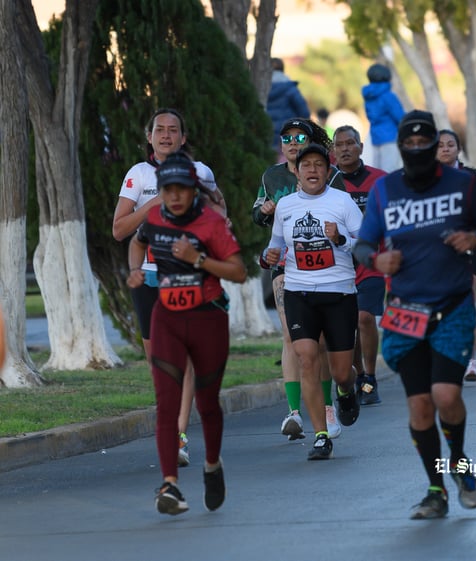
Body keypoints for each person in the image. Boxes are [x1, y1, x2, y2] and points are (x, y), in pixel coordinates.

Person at [353, 110, 476, 520]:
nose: (417, 150)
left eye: (424, 143)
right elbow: (362, 245)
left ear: (436, 144)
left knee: (446, 395)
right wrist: (377, 260)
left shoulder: (464, 184)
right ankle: (435, 489)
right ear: (401, 147)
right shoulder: (385, 191)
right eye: (410, 144)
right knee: (420, 407)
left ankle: (459, 462)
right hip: (405, 311)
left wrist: (475, 236)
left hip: (452, 306)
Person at [126, 152, 247, 515]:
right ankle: (170, 485)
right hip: (168, 318)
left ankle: (212, 465)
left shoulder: (211, 223)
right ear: (160, 191)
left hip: (207, 318)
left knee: (207, 404)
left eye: (182, 189)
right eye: (168, 190)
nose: (175, 196)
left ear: (194, 191)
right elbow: (137, 241)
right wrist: (135, 271)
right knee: (166, 401)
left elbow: (239, 272)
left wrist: (198, 259)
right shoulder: (154, 218)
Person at [113, 108, 226, 468]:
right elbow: (119, 230)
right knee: (158, 361)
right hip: (149, 277)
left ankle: (178, 435)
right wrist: (153, 203)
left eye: (172, 130)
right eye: (158, 130)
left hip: (188, 277)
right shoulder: (138, 175)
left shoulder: (200, 172)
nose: (165, 135)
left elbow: (222, 215)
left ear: (183, 138)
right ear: (149, 138)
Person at [264, 144, 362, 461]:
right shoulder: (286, 206)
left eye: (319, 165)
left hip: (338, 293)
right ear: (296, 170)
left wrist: (340, 239)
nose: (312, 170)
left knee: (342, 371)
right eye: (306, 165)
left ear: (328, 170)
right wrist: (269, 256)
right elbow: (275, 246)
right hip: (299, 292)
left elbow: (365, 246)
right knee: (306, 357)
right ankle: (321, 436)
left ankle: (346, 391)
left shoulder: (343, 202)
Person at [253, 118, 345, 441]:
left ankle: (329, 405)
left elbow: (347, 218)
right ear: (281, 146)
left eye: (300, 137)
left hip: (326, 268)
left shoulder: (330, 175)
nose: (293, 143)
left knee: (319, 343)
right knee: (292, 338)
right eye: (287, 138)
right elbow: (256, 213)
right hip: (286, 265)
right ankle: (294, 413)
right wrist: (265, 209)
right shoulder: (271, 176)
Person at [333, 125, 387, 405]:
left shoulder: (381, 181)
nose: (344, 149)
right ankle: (353, 376)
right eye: (338, 144)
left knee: (363, 317)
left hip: (371, 261)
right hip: (337, 264)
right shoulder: (326, 183)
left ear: (360, 147)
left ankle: (370, 378)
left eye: (349, 143)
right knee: (346, 325)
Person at [437, 129, 476, 381]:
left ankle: (470, 361)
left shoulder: (471, 176)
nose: (446, 149)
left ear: (459, 149)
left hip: (471, 247)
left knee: (467, 299)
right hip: (439, 250)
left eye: (451, 144)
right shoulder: (425, 179)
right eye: (440, 145)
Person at [362, 63, 405, 172]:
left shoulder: (368, 96)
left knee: (377, 170)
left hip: (375, 136)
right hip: (391, 136)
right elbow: (400, 117)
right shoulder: (388, 96)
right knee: (390, 170)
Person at [266, 58, 310, 154]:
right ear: (283, 69)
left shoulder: (261, 88)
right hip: (287, 136)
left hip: (265, 135)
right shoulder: (289, 88)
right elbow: (304, 112)